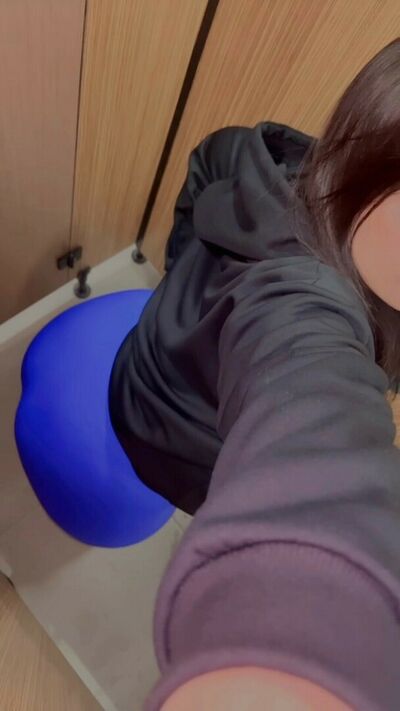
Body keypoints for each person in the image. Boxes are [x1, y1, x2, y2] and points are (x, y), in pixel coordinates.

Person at [109, 39, 400, 710]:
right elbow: (311, 420)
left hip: (155, 353)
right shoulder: (305, 306)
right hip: (160, 429)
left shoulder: (270, 156)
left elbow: (207, 160)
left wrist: (181, 277)